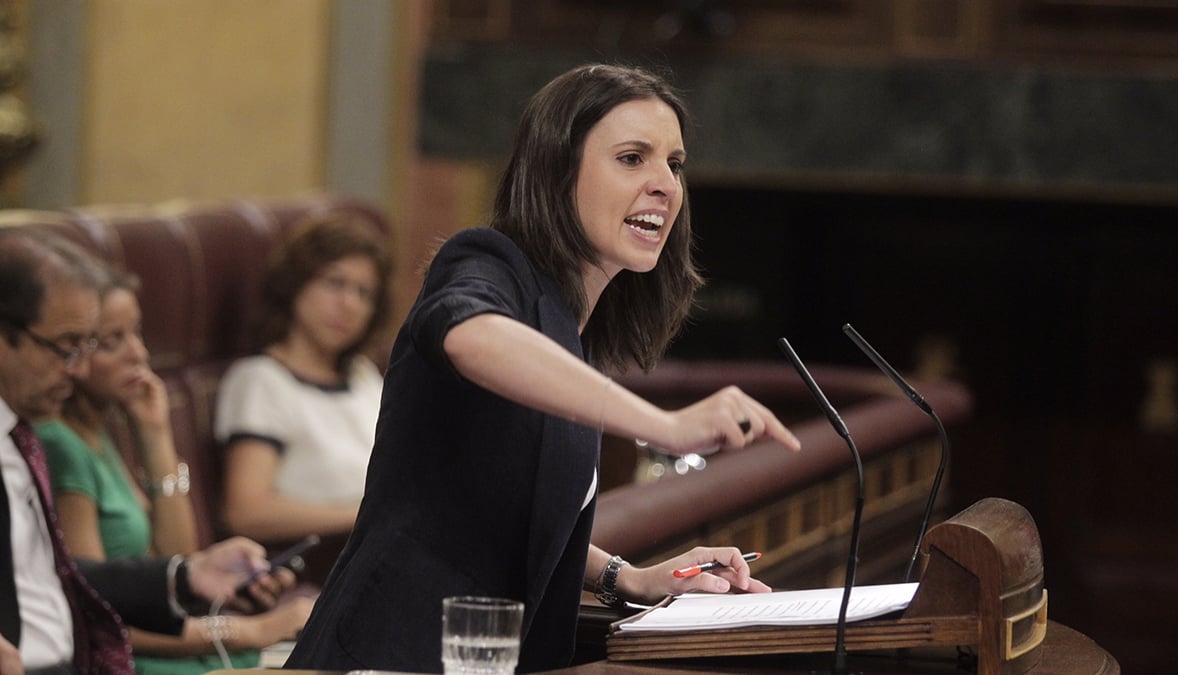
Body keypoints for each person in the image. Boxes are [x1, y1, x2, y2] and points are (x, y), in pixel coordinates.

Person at [285, 63, 803, 674]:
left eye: (675, 163)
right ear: (558, 173)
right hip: (386, 653)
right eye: (633, 158)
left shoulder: (569, 330)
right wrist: (669, 426)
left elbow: (505, 512)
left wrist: (628, 577)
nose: (665, 185)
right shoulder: (484, 264)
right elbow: (468, 331)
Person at [1, 229, 297, 675]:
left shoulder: (23, 437)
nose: (78, 368)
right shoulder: (51, 441)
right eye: (67, 347)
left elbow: (60, 578)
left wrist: (184, 574)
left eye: (86, 345)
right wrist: (244, 631)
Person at [213, 214, 392, 555]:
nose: (349, 304)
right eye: (335, 283)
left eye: (364, 293)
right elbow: (245, 511)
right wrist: (369, 515)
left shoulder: (362, 374)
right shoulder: (262, 380)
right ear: (295, 284)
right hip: (315, 566)